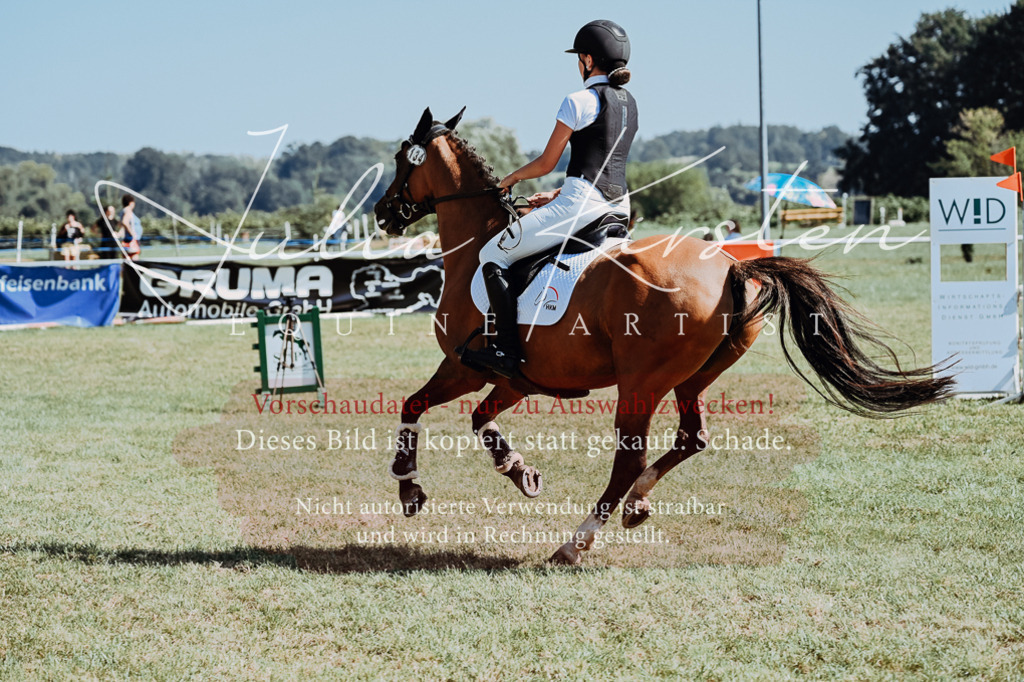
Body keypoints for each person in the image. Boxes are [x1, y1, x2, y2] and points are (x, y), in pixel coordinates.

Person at [463, 19, 638, 378]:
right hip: (618, 207)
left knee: (492, 255)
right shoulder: (630, 103)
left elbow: (546, 162)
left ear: (587, 61)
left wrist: (512, 178)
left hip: (580, 207)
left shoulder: (579, 100)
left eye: (579, 59)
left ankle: (504, 351)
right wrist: (559, 193)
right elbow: (605, 162)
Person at [119, 195, 142, 261]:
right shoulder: (128, 210)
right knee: (134, 259)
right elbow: (125, 222)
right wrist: (132, 233)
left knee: (128, 259)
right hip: (131, 240)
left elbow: (121, 224)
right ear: (131, 202)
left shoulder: (123, 211)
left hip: (128, 239)